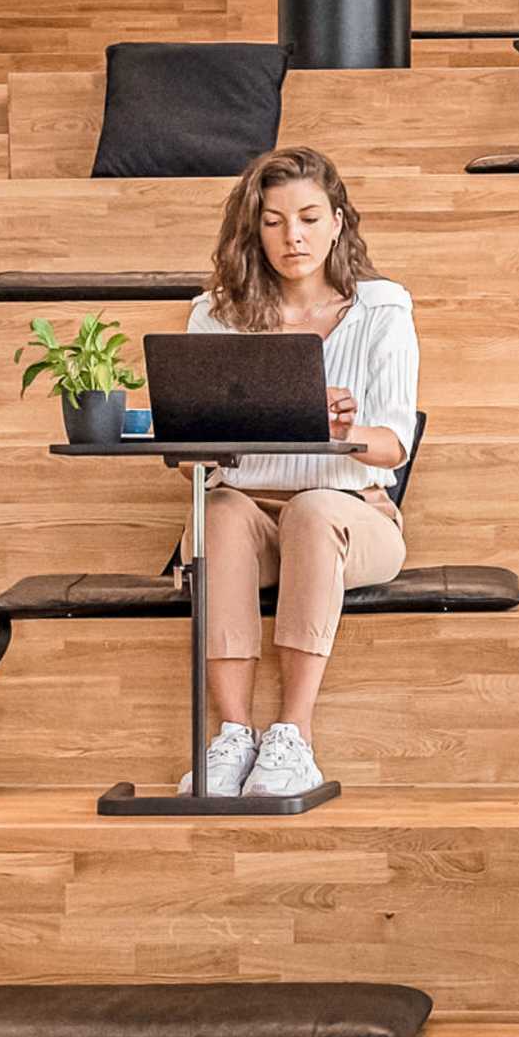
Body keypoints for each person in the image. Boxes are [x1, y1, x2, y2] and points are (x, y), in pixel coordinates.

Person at [176, 148, 416, 802]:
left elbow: (393, 445)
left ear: (338, 222)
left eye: (310, 218)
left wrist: (336, 428)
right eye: (275, 222)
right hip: (249, 516)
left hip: (350, 514)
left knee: (312, 509)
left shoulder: (382, 309)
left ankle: (293, 736)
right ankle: (231, 734)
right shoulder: (215, 316)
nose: (294, 237)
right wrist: (196, 440)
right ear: (254, 230)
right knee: (217, 509)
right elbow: (201, 456)